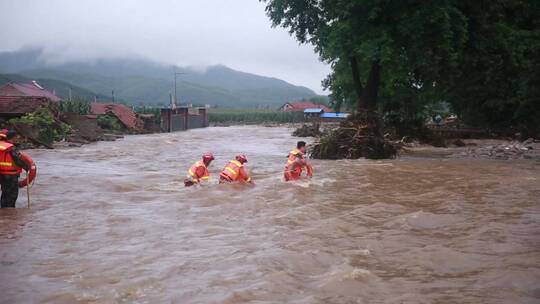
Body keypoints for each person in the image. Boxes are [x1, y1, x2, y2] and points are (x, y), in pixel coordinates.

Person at [0, 130, 30, 208]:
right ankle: (10, 211)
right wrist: (27, 167)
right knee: (12, 195)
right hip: (11, 175)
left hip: (2, 174)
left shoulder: (1, 146)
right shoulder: (11, 148)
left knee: (5, 193)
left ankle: (3, 211)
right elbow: (18, 160)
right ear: (13, 137)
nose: (17, 138)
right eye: (16, 137)